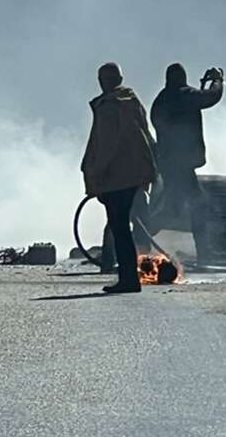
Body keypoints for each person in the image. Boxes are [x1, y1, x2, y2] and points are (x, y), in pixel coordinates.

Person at [81, 62, 157, 294]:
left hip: (116, 178)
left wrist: (95, 176)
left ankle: (128, 279)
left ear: (103, 81)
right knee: (126, 227)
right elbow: (147, 137)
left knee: (120, 228)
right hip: (134, 176)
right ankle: (129, 275)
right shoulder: (133, 103)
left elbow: (105, 147)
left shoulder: (110, 107)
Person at [150, 63, 223, 254]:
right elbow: (211, 97)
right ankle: (204, 253)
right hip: (181, 165)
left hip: (168, 163)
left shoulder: (162, 99)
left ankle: (134, 240)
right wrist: (217, 80)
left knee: (173, 208)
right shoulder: (183, 96)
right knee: (197, 205)